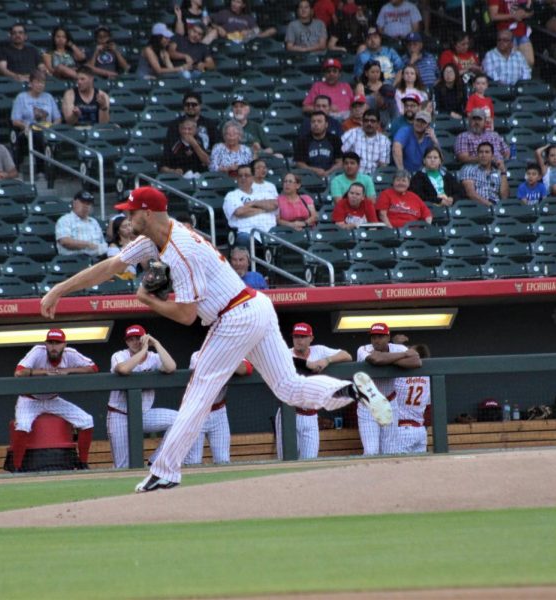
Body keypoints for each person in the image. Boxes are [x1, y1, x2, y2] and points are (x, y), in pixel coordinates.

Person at [39, 186, 394, 491]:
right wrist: (60, 289)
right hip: (255, 308)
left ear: (147, 212)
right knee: (288, 387)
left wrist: (150, 302)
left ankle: (164, 472)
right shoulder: (154, 239)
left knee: (198, 392)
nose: (126, 217)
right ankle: (350, 391)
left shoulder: (181, 250)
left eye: (131, 211)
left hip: (234, 317)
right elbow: (111, 266)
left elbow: (187, 315)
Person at [9, 328, 97, 471]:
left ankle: (82, 463)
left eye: (57, 343)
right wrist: (43, 372)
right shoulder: (38, 351)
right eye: (50, 343)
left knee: (87, 420)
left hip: (52, 399)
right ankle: (17, 467)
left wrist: (68, 370)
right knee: (23, 425)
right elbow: (19, 372)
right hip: (29, 399)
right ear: (46, 344)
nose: (53, 346)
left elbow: (93, 368)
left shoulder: (71, 354)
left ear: (64, 344)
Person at [275, 322, 352, 460]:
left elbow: (347, 355)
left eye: (303, 337)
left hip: (311, 416)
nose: (299, 340)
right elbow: (277, 359)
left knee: (310, 460)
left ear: (311, 338)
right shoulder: (286, 353)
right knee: (287, 460)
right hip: (289, 414)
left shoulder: (319, 350)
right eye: (296, 336)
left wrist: (327, 360)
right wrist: (306, 364)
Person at [107, 324, 178, 469]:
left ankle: (156, 460)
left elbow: (171, 367)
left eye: (138, 338)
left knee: (179, 420)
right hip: (119, 415)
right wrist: (143, 350)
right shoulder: (119, 355)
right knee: (123, 467)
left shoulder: (154, 357)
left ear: (145, 338)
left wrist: (156, 344)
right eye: (130, 339)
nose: (134, 342)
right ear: (126, 342)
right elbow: (124, 369)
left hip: (143, 414)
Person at [355, 323, 422, 456]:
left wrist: (388, 359)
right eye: (374, 337)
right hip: (368, 405)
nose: (376, 340)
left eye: (380, 336)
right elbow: (375, 359)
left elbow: (416, 361)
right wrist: (402, 355)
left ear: (388, 337)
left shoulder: (398, 348)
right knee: (371, 451)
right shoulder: (363, 349)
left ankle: (388, 477)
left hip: (390, 402)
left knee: (390, 451)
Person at [185, 352, 251, 465]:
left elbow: (246, 369)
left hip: (219, 412)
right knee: (193, 462)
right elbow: (207, 373)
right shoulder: (197, 355)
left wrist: (228, 356)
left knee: (223, 460)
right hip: (196, 413)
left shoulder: (231, 355)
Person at [11, 69, 61, 167]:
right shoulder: (21, 97)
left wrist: (52, 127)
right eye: (37, 82)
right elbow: (15, 121)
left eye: (43, 82)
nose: (40, 85)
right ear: (30, 83)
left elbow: (58, 118)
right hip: (28, 131)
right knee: (38, 137)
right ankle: (40, 170)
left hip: (47, 130)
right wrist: (26, 126)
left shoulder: (48, 97)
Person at [389, 343, 432, 454]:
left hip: (402, 429)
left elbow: (389, 359)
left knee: (399, 468)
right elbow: (428, 407)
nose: (407, 353)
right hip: (420, 430)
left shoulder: (400, 376)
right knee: (418, 468)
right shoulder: (427, 377)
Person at [223, 163, 279, 245]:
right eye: (240, 176)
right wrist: (263, 209)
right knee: (244, 239)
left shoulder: (262, 193)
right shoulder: (232, 195)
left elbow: (274, 205)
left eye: (246, 175)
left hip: (271, 232)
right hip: (247, 232)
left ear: (253, 177)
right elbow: (240, 212)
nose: (243, 178)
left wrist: (253, 203)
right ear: (237, 178)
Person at [55, 190, 107, 259]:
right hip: (73, 261)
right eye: (82, 202)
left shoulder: (94, 222)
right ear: (74, 203)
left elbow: (102, 243)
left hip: (96, 260)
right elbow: (65, 241)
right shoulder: (65, 220)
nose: (85, 206)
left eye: (88, 204)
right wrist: (87, 245)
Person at [341, 109, 391, 176]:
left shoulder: (384, 141)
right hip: (353, 177)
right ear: (362, 122)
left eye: (372, 121)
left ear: (378, 124)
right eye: (366, 120)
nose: (369, 123)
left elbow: (383, 166)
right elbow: (339, 154)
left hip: (374, 180)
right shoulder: (352, 134)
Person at [460, 141, 509, 206]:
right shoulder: (469, 169)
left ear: (492, 156)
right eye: (481, 152)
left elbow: (504, 197)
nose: (483, 155)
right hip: (478, 207)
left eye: (487, 152)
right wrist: (490, 205)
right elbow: (471, 193)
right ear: (477, 155)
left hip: (497, 206)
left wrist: (503, 172)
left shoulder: (499, 173)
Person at [488, 0, 535, 67]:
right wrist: (513, 16)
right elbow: (493, 16)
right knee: (512, 63)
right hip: (505, 31)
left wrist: (525, 14)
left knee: (529, 61)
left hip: (522, 30)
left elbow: (531, 11)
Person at [212, 0, 277, 43]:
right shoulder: (224, 13)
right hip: (229, 38)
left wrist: (249, 31)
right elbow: (210, 23)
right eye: (233, 1)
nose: (234, 4)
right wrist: (218, 28)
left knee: (272, 30)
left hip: (245, 39)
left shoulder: (248, 18)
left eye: (238, 2)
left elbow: (257, 30)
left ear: (243, 5)